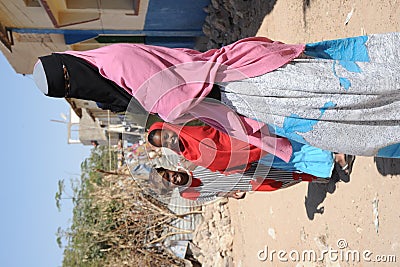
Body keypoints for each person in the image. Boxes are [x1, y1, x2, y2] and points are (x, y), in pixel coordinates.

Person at [32, 32, 400, 158]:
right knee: (337, 121)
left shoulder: (116, 59)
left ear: (69, 62)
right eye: (67, 90)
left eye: (68, 78)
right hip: (234, 101)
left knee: (342, 89)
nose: (74, 86)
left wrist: (165, 116)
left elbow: (173, 101)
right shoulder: (107, 77)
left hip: (242, 84)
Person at [147, 121, 350, 179]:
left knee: (291, 146)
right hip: (247, 159)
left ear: (168, 128)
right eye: (165, 143)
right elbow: (216, 166)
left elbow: (217, 128)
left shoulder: (191, 127)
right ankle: (332, 161)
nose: (170, 139)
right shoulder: (187, 154)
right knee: (290, 159)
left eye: (166, 135)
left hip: (247, 140)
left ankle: (336, 151)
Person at [154, 164, 327, 202]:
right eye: (169, 182)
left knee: (284, 170)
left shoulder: (188, 162)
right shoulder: (187, 193)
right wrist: (230, 194)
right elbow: (212, 195)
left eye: (168, 175)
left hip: (246, 168)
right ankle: (317, 176)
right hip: (246, 184)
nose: (173, 178)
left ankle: (320, 174)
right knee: (277, 184)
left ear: (169, 169)